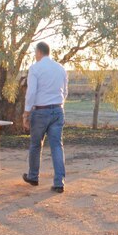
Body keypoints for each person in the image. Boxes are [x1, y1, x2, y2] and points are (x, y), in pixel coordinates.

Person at [22, 42, 68, 193]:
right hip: (58, 110)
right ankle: (59, 182)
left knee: (36, 144)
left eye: (35, 53)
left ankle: (33, 176)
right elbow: (65, 91)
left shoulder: (35, 68)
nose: (35, 56)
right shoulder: (61, 69)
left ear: (39, 52)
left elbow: (31, 92)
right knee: (56, 146)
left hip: (40, 111)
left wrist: (27, 112)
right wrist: (59, 105)